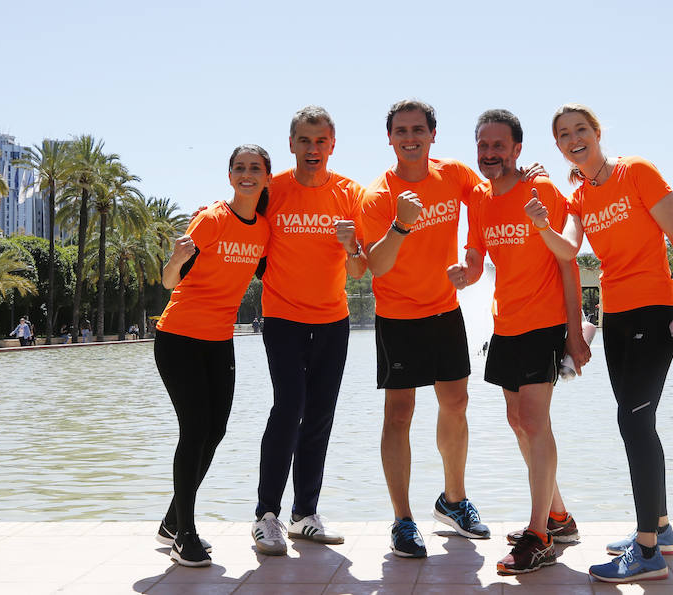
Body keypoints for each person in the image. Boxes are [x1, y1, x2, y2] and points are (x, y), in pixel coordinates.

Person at [533, 103, 673, 583]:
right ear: (560, 145)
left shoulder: (638, 173)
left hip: (655, 309)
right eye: (564, 134)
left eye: (580, 129)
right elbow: (568, 250)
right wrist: (543, 223)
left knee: (633, 421)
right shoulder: (580, 197)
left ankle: (647, 553)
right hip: (617, 320)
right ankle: (661, 530)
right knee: (638, 423)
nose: (574, 138)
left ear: (597, 132)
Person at [448, 109, 589, 574]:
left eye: (498, 145)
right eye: (483, 146)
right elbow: (477, 255)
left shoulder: (542, 190)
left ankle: (539, 537)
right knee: (517, 420)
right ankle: (559, 517)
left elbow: (568, 262)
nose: (490, 153)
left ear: (516, 149)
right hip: (504, 324)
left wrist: (575, 331)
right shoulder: (482, 200)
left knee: (534, 419)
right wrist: (465, 274)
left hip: (543, 322)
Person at [362, 99, 492, 558]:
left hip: (443, 311)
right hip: (397, 316)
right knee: (399, 414)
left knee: (456, 402)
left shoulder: (454, 174)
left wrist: (475, 256)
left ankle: (453, 502)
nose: (410, 137)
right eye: (401, 130)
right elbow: (373, 266)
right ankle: (402, 520)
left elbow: (490, 196)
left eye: (418, 129)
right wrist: (401, 223)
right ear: (391, 138)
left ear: (432, 135)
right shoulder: (378, 196)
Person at [250, 106, 367, 556]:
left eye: (321, 141)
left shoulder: (349, 193)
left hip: (333, 321)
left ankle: (304, 515)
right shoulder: (272, 189)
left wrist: (350, 244)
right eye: (304, 140)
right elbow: (241, 219)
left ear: (332, 145)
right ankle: (265, 516)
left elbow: (358, 269)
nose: (312, 149)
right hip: (282, 318)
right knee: (289, 407)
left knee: (319, 414)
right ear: (292, 144)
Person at [153, 145, 271, 567]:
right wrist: (176, 257)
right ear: (230, 175)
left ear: (266, 177)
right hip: (179, 337)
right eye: (239, 168)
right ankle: (185, 534)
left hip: (220, 341)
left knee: (215, 431)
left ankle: (171, 520)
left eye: (254, 168)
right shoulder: (212, 219)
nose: (246, 174)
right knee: (195, 429)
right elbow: (169, 281)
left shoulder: (263, 229)